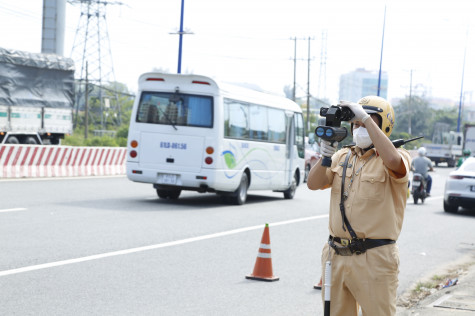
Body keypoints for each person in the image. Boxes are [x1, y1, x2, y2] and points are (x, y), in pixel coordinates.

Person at [307, 96, 411, 316]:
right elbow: (313, 183)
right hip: (335, 254)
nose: (359, 129)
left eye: (364, 123)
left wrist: (364, 116)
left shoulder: (397, 156)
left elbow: (394, 164)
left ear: (383, 125)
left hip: (374, 257)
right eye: (355, 124)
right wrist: (325, 156)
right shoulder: (343, 156)